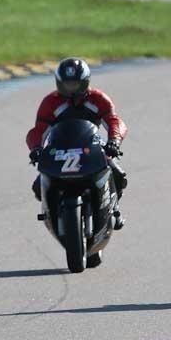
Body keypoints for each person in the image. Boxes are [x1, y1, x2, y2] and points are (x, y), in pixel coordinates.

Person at [26, 57, 128, 229]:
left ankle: (114, 211)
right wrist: (36, 148)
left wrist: (114, 141)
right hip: (59, 149)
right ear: (59, 83)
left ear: (85, 82)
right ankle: (51, 214)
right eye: (66, 84)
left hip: (91, 145)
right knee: (38, 186)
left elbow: (114, 121)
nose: (70, 89)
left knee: (118, 174)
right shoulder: (50, 102)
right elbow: (38, 130)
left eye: (74, 84)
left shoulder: (98, 98)